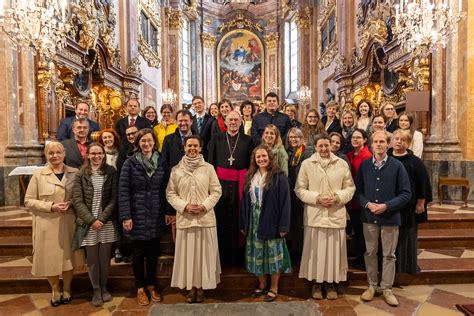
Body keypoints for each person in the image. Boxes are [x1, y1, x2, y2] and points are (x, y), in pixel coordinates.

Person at [24, 141, 85, 307]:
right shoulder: (39, 174)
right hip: (47, 223)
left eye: (58, 152)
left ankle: (67, 288)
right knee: (49, 259)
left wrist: (71, 203)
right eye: (51, 153)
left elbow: (81, 196)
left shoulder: (74, 172)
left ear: (64, 154)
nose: (55, 156)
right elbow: (28, 201)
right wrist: (51, 206)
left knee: (68, 258)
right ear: (46, 155)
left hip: (69, 221)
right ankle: (55, 289)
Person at [295, 134, 355, 300]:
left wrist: (337, 197)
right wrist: (317, 198)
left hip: (335, 214)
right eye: (320, 146)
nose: (323, 149)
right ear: (315, 147)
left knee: (333, 252)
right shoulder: (307, 164)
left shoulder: (341, 164)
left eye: (326, 145)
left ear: (331, 146)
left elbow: (350, 188)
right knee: (316, 252)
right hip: (315, 214)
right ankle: (316, 283)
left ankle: (330, 284)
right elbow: (299, 189)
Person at [356, 130, 411, 307]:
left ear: (388, 144)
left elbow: (405, 193)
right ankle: (372, 286)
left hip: (390, 218)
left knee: (389, 255)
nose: (379, 145)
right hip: (369, 217)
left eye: (382, 142)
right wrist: (367, 204)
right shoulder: (365, 166)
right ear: (371, 144)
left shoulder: (397, 166)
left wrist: (387, 206)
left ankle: (387, 288)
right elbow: (359, 191)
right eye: (376, 142)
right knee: (370, 252)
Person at [166, 135, 222, 304]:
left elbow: (216, 191)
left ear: (200, 148)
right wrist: (184, 206)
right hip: (186, 218)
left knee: (204, 255)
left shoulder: (209, 168)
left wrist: (204, 205)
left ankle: (202, 287)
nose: (192, 148)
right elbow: (170, 193)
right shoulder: (176, 170)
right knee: (189, 256)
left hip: (205, 219)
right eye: (189, 145)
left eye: (195, 146)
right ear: (184, 147)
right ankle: (191, 287)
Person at [119, 128, 170, 306]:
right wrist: (126, 216)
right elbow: (123, 190)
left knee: (154, 253)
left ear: (154, 143)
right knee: (139, 253)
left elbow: (167, 189)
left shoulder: (161, 162)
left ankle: (151, 284)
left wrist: (168, 211)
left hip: (156, 213)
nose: (146, 144)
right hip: (137, 213)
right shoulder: (130, 163)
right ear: (138, 144)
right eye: (143, 141)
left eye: (149, 141)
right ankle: (140, 287)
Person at [240, 144, 292, 302]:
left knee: (273, 255)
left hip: (272, 220)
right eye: (258, 157)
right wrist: (244, 224)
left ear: (269, 157)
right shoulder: (251, 176)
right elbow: (245, 202)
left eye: (264, 156)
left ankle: (274, 287)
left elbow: (285, 202)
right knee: (258, 255)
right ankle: (262, 284)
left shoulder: (278, 175)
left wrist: (284, 225)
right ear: (254, 160)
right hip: (254, 221)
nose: (261, 159)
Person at [72, 143, 118, 307]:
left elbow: (114, 198)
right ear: (88, 155)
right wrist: (92, 220)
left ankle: (104, 287)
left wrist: (102, 219)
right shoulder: (81, 174)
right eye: (93, 153)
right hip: (88, 224)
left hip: (106, 223)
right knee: (92, 258)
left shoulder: (111, 172)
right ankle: (96, 289)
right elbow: (77, 201)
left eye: (100, 153)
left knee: (104, 258)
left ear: (104, 155)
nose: (97, 156)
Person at [208, 111, 254, 265]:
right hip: (220, 184)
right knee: (221, 219)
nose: (233, 122)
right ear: (225, 122)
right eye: (230, 120)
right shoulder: (216, 138)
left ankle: (238, 257)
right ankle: (221, 257)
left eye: (236, 120)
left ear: (241, 122)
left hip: (240, 185)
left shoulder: (248, 140)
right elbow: (211, 162)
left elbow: (251, 165)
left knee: (238, 219)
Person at [388, 130, 432, 274]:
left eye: (403, 140)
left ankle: (407, 267)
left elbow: (423, 182)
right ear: (391, 141)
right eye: (396, 139)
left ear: (408, 143)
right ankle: (390, 269)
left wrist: (421, 202)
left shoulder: (414, 161)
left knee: (407, 237)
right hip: (389, 206)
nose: (399, 142)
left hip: (409, 207)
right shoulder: (385, 157)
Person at [346, 128, 372, 267]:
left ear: (364, 140)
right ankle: (356, 253)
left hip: (360, 196)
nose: (355, 140)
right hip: (351, 197)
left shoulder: (367, 155)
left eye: (358, 138)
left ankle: (362, 257)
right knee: (355, 227)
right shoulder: (350, 154)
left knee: (361, 229)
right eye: (353, 138)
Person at [285, 127, 312, 260]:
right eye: (291, 137)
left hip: (301, 189)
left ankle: (299, 251)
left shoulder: (306, 153)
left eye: (296, 137)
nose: (293, 140)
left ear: (301, 138)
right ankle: (291, 249)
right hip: (289, 188)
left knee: (299, 221)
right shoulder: (287, 152)